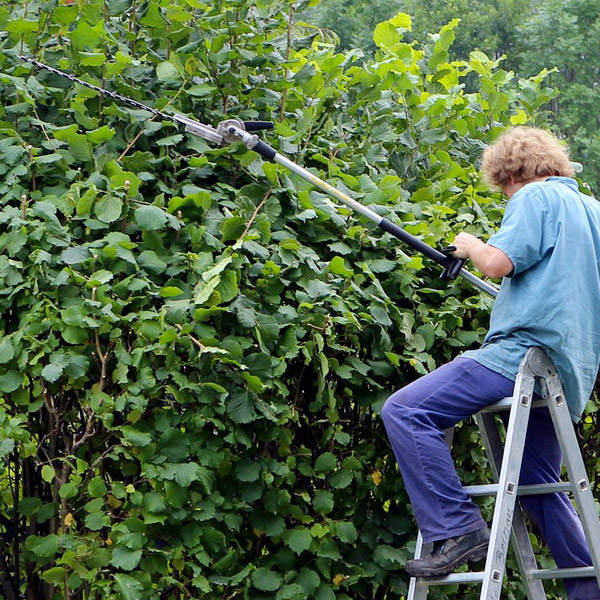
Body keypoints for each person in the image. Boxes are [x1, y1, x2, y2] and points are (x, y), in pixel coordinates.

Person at [381, 126, 600, 600]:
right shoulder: (593, 212)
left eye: (502, 188)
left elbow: (498, 263)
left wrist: (470, 245)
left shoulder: (533, 198)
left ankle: (458, 529)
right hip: (570, 368)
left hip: (521, 354)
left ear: (511, 173)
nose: (504, 195)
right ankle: (590, 589)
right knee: (538, 483)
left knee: (406, 411)